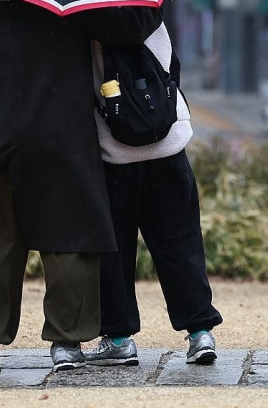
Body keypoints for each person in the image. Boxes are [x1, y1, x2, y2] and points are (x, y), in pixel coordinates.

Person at [0, 0, 162, 372]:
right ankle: (68, 343)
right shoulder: (71, 2)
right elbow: (119, 34)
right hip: (62, 129)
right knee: (70, 234)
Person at [85, 23, 223, 367]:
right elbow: (171, 70)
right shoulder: (151, 16)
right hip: (169, 147)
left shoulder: (88, 25)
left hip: (114, 154)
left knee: (115, 248)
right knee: (180, 242)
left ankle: (118, 339)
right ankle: (200, 331)